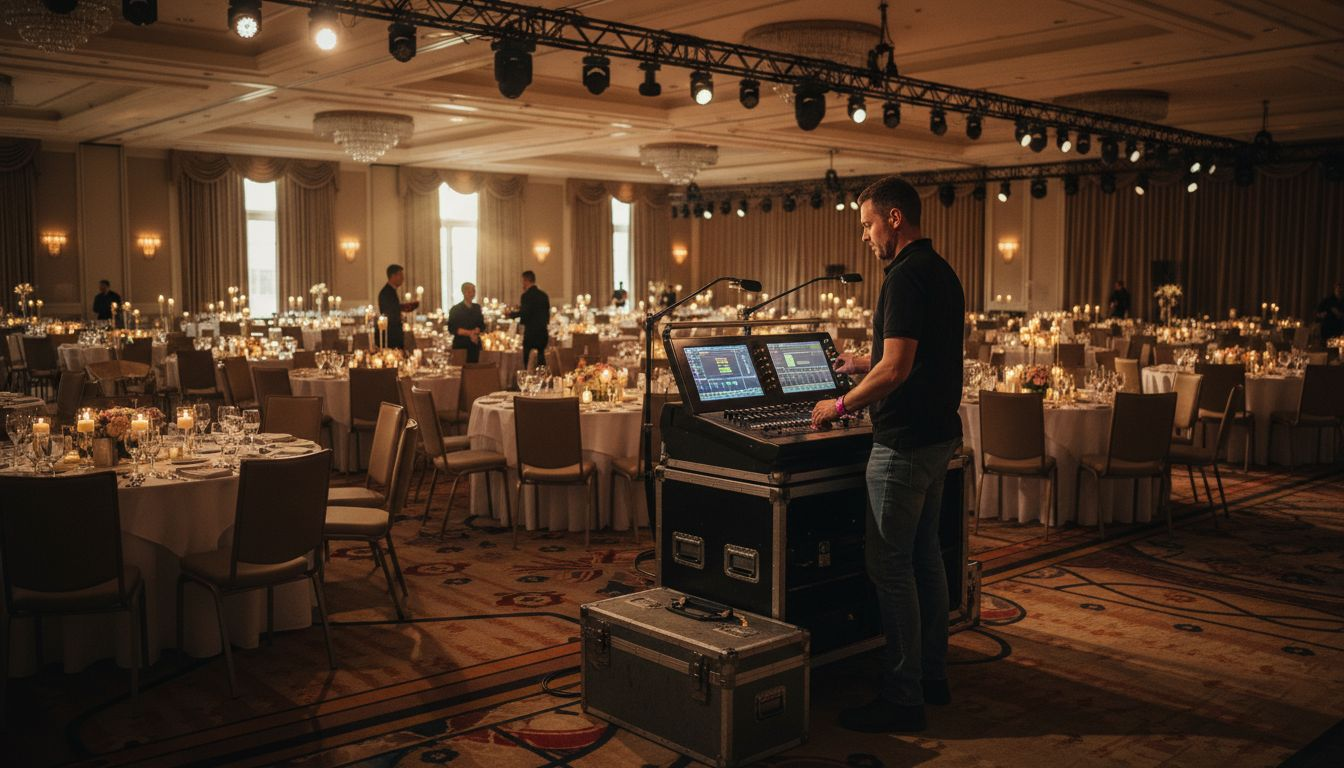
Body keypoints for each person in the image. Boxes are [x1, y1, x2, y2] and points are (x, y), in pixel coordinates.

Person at [811, 176, 964, 734]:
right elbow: (909, 357)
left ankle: (903, 696)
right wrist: (862, 360)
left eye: (868, 224)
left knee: (890, 566)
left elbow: (897, 371)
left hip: (903, 443)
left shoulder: (903, 276)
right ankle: (932, 676)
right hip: (939, 434)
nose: (866, 237)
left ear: (895, 218)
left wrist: (841, 404)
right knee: (925, 557)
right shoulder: (940, 270)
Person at [507, 270, 550, 368]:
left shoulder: (526, 296)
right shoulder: (544, 295)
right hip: (543, 332)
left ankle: (529, 379)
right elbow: (547, 315)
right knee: (541, 358)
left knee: (527, 359)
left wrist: (511, 315)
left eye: (522, 281)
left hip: (531, 332)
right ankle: (542, 379)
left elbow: (524, 314)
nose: (522, 284)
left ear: (527, 280)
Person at [377, 264, 419, 349]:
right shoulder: (386, 293)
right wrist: (402, 313)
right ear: (393, 276)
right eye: (401, 275)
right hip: (391, 335)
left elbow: (394, 309)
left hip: (394, 333)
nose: (403, 278)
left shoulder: (390, 291)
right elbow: (389, 313)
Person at [447, 281, 485, 363]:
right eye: (469, 292)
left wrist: (478, 330)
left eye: (473, 291)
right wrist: (470, 333)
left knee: (475, 370)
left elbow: (482, 325)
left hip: (475, 345)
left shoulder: (477, 307)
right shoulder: (455, 309)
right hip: (461, 344)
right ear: (463, 293)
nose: (472, 294)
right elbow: (452, 328)